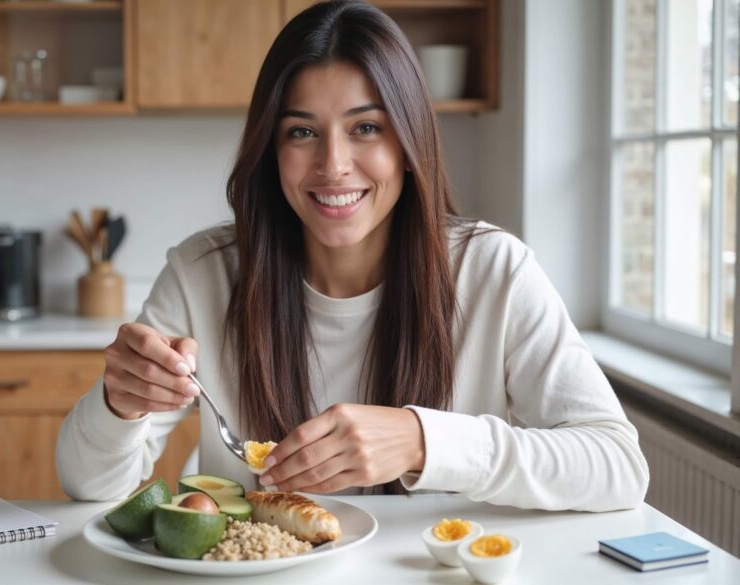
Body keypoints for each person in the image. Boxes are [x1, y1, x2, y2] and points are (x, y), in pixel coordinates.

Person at [57, 0, 649, 511]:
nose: (333, 165)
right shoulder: (202, 273)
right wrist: (117, 404)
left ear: (409, 143)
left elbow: (618, 466)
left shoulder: (493, 269)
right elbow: (88, 486)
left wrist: (423, 441)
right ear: (272, 150)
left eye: (366, 128)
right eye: (302, 132)